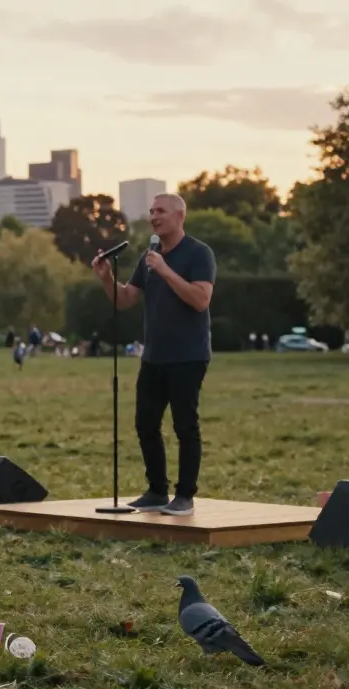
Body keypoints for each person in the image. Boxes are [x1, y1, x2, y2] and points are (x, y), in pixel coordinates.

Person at [92, 192, 216, 517]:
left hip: (188, 355)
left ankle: (185, 496)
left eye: (160, 211)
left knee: (185, 425)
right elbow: (125, 300)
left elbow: (201, 299)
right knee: (145, 423)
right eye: (151, 211)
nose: (153, 216)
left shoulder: (198, 254)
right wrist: (107, 279)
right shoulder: (149, 256)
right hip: (154, 356)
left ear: (179, 216)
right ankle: (157, 490)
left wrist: (164, 271)